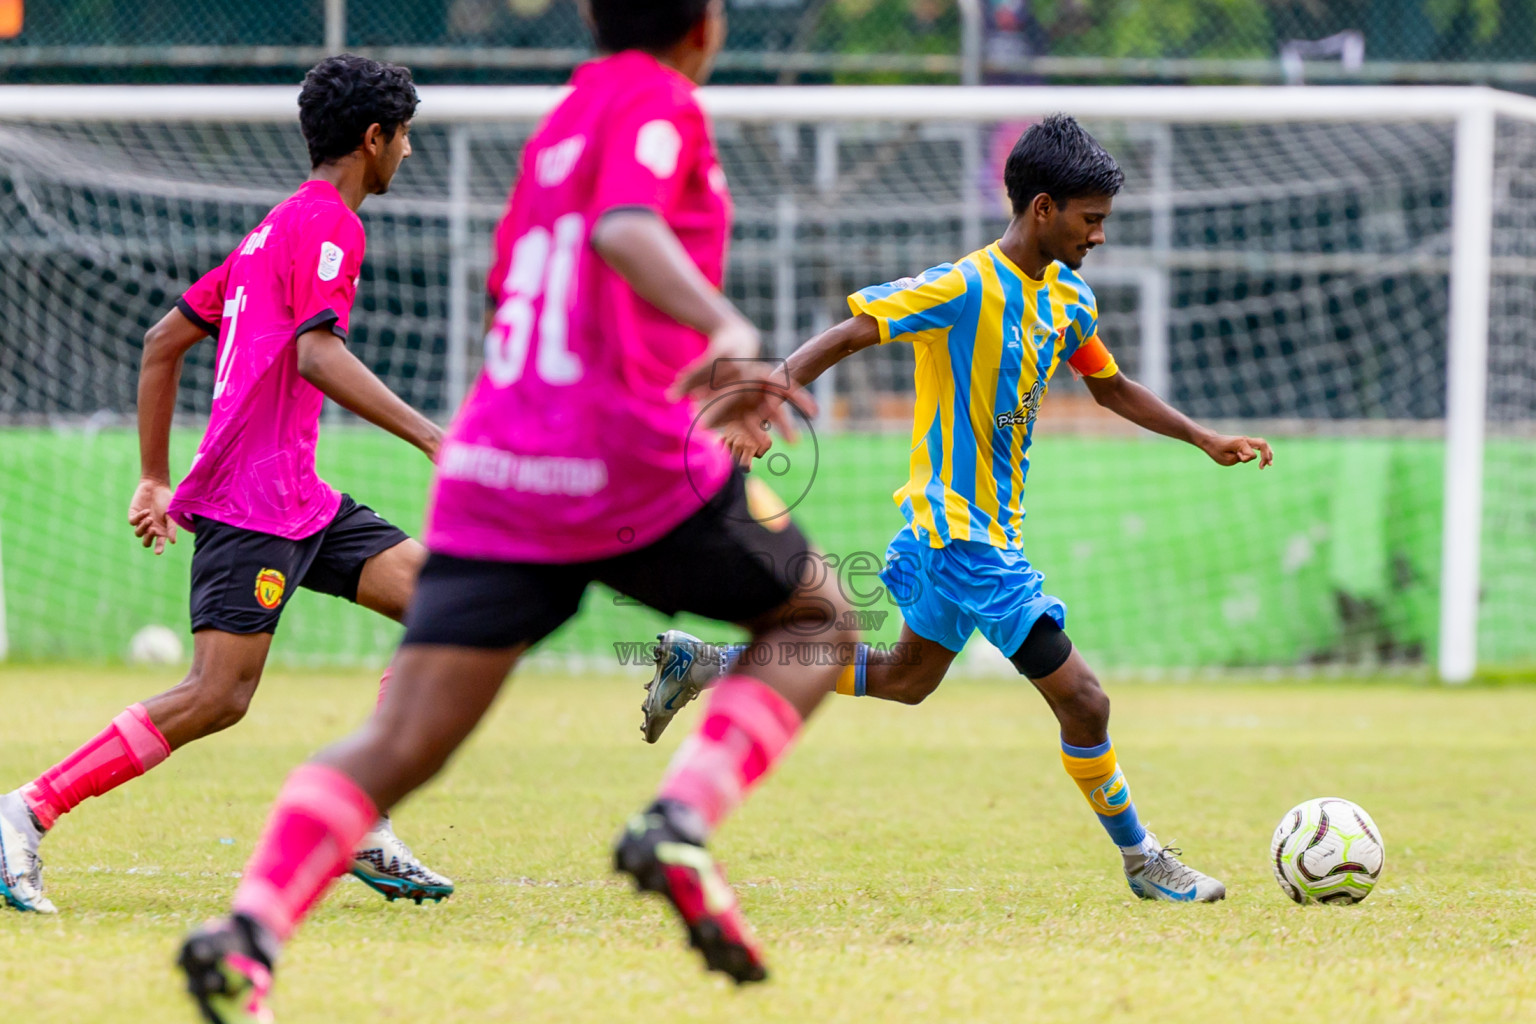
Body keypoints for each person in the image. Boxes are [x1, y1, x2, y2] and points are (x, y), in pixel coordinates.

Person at [176, 2, 853, 1019]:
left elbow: (552, 285)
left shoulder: (560, 125)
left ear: (589, 17)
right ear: (706, 27)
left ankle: (254, 927)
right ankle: (679, 817)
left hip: (497, 464)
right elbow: (626, 231)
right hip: (615, 457)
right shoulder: (655, 103)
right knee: (817, 617)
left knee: (403, 736)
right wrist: (725, 330)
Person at [647, 114, 1278, 904]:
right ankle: (1144, 858)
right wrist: (770, 388)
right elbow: (853, 332)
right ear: (1043, 208)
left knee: (909, 678)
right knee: (1085, 700)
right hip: (961, 537)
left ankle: (705, 665)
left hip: (974, 535)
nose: (1100, 236)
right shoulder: (964, 285)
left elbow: (1108, 383)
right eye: (1092, 219)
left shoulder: (1069, 300)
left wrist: (1202, 437)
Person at [0, 55, 454, 916]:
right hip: (254, 504)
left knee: (447, 605)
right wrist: (433, 436)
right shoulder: (326, 227)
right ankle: (25, 808)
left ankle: (362, 811)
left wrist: (152, 477)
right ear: (373, 138)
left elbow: (161, 341)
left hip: (299, 496)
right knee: (218, 695)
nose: (408, 154)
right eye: (404, 139)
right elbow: (318, 353)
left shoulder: (267, 233)